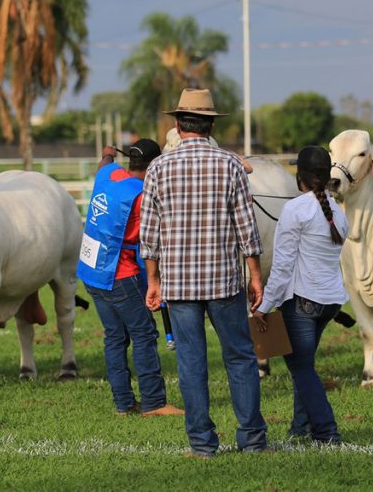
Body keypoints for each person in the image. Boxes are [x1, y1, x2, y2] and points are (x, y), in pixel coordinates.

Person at [140, 88, 267, 458]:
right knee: (240, 358)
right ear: (211, 125)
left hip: (178, 284)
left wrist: (152, 280)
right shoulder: (230, 165)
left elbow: (150, 234)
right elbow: (247, 229)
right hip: (224, 280)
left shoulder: (158, 168)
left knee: (191, 363)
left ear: (178, 126)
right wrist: (255, 276)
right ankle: (253, 439)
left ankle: (202, 443)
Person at [77, 138, 183, 418]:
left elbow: (104, 163)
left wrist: (106, 152)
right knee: (144, 335)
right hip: (120, 274)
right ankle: (154, 403)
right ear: (153, 165)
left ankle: (123, 404)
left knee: (114, 338)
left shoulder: (108, 173)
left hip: (91, 272)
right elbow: (151, 242)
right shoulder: (143, 194)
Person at [253, 145, 348, 445]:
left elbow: (281, 269)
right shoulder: (336, 213)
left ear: (301, 177)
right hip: (330, 302)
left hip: (304, 302)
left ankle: (325, 430)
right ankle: (300, 425)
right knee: (304, 364)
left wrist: (264, 307)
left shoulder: (295, 209)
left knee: (302, 368)